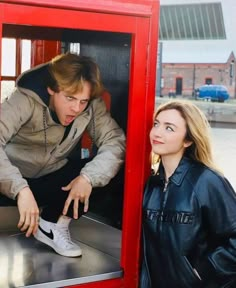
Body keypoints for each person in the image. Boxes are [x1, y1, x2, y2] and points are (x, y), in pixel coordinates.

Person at [0, 52, 126, 257]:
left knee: (119, 169)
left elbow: (115, 142)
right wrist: (20, 189)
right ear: (51, 89)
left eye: (83, 101)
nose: (76, 108)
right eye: (69, 98)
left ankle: (52, 225)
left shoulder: (92, 106)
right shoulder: (24, 99)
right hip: (9, 184)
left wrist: (87, 178)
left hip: (51, 179)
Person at [140, 100, 236, 288]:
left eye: (169, 128)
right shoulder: (151, 184)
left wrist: (204, 270)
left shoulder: (206, 182)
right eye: (156, 124)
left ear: (188, 140)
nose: (157, 132)